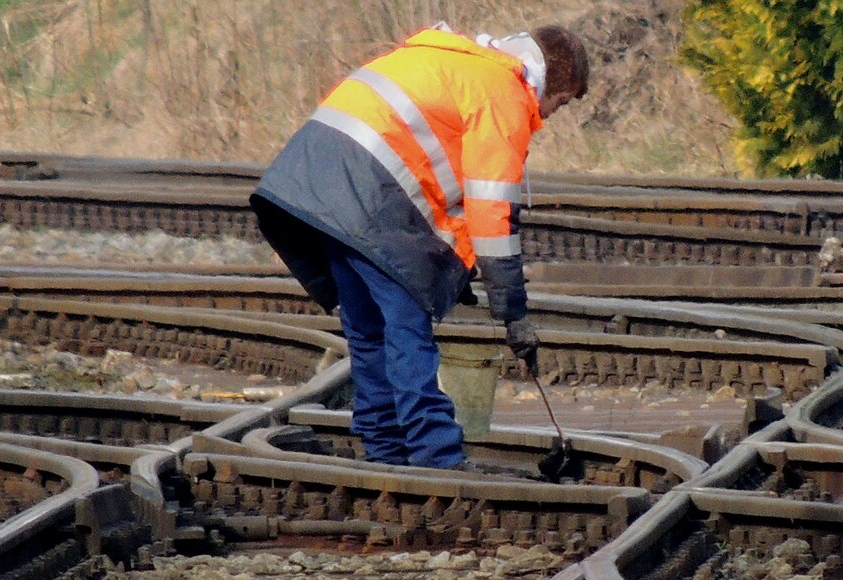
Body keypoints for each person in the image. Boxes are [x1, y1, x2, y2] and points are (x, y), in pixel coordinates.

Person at [250, 23, 589, 469]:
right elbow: (491, 213)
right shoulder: (501, 94)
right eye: (559, 103)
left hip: (319, 187)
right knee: (408, 333)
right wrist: (513, 314)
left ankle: (384, 452)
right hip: (367, 199)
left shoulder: (460, 64)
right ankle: (437, 457)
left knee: (369, 333)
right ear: (547, 83)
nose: (547, 116)